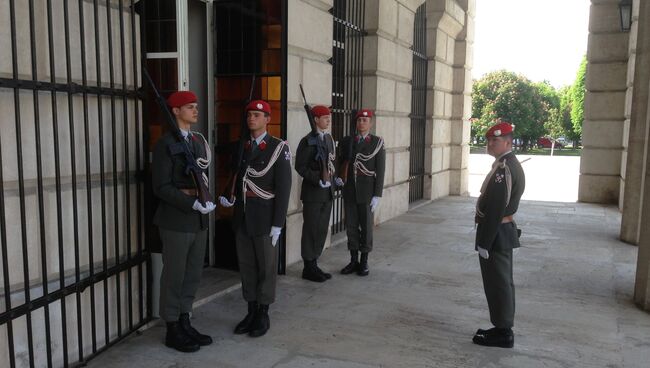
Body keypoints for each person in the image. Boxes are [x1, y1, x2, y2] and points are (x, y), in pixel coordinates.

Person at [218, 100, 292, 337]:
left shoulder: (278, 148)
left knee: (266, 268)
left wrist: (278, 224)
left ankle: (263, 312)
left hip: (265, 218)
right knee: (247, 267)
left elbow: (283, 188)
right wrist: (229, 197)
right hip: (243, 217)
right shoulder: (242, 146)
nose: (252, 118)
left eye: (258, 115)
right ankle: (250, 310)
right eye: (249, 114)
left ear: (268, 119)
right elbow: (235, 177)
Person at [152, 90, 216, 352]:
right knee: (174, 276)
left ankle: (184, 319)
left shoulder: (198, 143)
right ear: (175, 111)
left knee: (192, 275)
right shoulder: (165, 144)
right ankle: (172, 328)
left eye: (195, 106)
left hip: (197, 221)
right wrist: (191, 202)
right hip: (177, 220)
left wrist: (205, 200)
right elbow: (162, 187)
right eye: (190, 107)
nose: (195, 110)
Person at [472, 121, 525, 348]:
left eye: (496, 140)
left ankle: (504, 332)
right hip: (499, 232)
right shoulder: (504, 164)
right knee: (499, 282)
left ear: (508, 142)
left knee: (499, 283)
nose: (490, 143)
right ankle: (501, 326)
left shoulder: (504, 168)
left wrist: (485, 240)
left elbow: (496, 208)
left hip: (497, 233)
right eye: (489, 140)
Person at [335, 109, 385, 276]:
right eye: (359, 121)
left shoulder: (377, 143)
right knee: (351, 227)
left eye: (365, 120)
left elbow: (381, 169)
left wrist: (377, 194)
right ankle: (353, 260)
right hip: (350, 190)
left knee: (366, 228)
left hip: (367, 191)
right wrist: (338, 177)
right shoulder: (347, 141)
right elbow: (339, 162)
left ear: (370, 123)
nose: (362, 123)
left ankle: (364, 261)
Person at [295, 105, 336, 282]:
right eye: (324, 117)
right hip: (313, 194)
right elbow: (300, 167)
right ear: (315, 120)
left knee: (321, 230)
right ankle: (308, 267)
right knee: (311, 230)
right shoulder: (307, 141)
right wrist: (315, 178)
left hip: (327, 193)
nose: (328, 120)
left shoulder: (328, 139)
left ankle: (315, 262)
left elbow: (331, 163)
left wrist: (335, 180)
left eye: (328, 117)